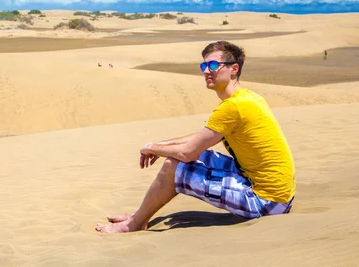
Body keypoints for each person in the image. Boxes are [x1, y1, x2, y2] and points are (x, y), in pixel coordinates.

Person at [96, 41, 296, 233]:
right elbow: (201, 138)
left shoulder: (233, 107)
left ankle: (135, 223)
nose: (206, 71)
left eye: (214, 65)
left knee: (172, 166)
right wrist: (158, 145)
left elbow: (187, 152)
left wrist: (151, 148)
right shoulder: (247, 98)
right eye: (204, 65)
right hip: (272, 190)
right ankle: (139, 215)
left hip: (267, 202)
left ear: (233, 69)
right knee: (192, 157)